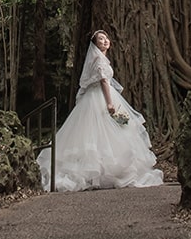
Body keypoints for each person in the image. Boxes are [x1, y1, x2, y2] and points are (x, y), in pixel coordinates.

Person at [36, 30, 164, 191]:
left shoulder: (102, 59)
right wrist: (110, 103)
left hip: (98, 96)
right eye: (100, 39)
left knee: (100, 134)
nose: (105, 41)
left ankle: (100, 174)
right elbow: (104, 81)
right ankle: (102, 174)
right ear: (95, 44)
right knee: (102, 133)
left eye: (106, 38)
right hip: (101, 98)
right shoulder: (98, 59)